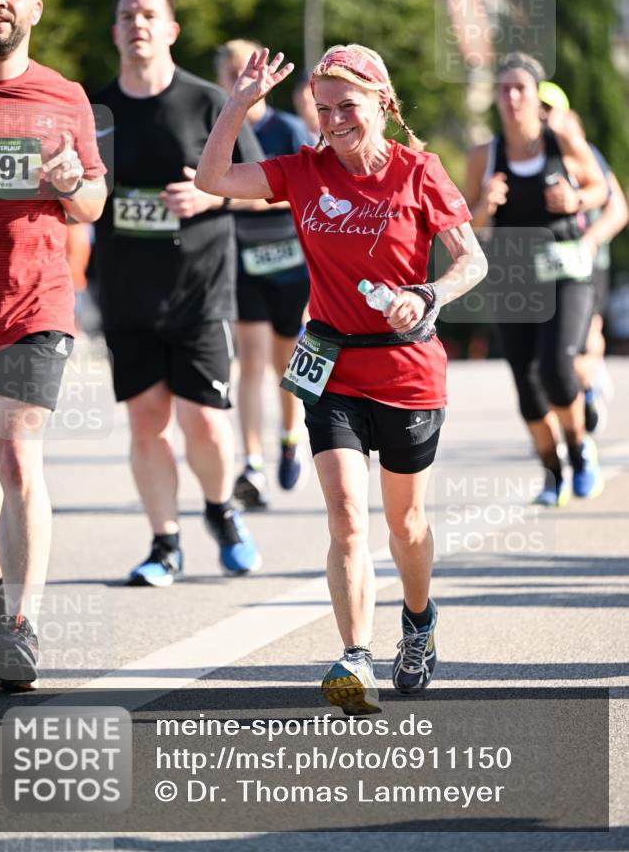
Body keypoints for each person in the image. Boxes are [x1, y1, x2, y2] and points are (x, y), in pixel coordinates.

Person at [195, 43, 487, 714]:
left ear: (381, 103)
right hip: (328, 366)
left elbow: (471, 261)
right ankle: (355, 655)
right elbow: (213, 180)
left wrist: (430, 294)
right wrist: (236, 106)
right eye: (322, 110)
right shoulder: (301, 171)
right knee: (346, 517)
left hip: (407, 367)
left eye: (346, 107)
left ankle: (417, 622)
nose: (332, 121)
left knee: (405, 523)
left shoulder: (419, 171)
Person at [0, 0, 107, 689]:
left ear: (35, 9)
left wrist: (72, 180)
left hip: (34, 302)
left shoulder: (66, 97)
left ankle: (20, 623)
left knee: (18, 456)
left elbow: (92, 204)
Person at [90, 0, 263, 585]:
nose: (137, 23)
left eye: (149, 14)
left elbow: (267, 191)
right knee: (146, 420)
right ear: (115, 31)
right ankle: (165, 544)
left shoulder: (210, 101)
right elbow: (77, 197)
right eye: (126, 14)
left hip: (200, 289)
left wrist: (210, 195)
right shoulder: (94, 111)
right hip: (125, 291)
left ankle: (220, 510)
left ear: (170, 30)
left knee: (207, 421)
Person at [465, 54, 610, 507]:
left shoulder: (563, 141)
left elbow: (601, 190)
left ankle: (579, 447)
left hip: (566, 271)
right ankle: (552, 472)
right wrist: (487, 205)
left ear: (535, 95)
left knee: (557, 369)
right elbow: (465, 223)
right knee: (526, 388)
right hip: (512, 277)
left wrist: (575, 198)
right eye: (504, 89)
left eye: (520, 89)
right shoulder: (483, 156)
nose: (511, 98)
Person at [215, 40, 312, 509]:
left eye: (247, 68)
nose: (241, 78)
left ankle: (291, 436)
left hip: (290, 260)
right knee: (250, 360)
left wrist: (237, 198)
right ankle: (251, 460)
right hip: (240, 256)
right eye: (231, 72)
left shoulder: (290, 129)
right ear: (221, 81)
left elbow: (308, 193)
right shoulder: (219, 130)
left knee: (286, 362)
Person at [538, 84, 628, 433]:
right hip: (544, 262)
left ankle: (588, 389)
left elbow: (618, 208)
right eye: (539, 107)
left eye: (550, 108)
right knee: (550, 348)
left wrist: (590, 240)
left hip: (587, 260)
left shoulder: (583, 150)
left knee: (586, 335)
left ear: (566, 116)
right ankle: (562, 414)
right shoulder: (522, 155)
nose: (543, 115)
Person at [292, 72, 320, 145]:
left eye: (310, 90)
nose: (304, 96)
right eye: (300, 90)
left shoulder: (334, 133)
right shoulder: (288, 131)